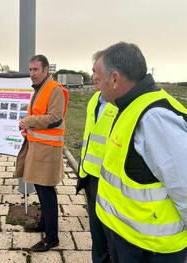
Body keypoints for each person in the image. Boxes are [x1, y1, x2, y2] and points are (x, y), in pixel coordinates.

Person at [94, 42, 187, 262]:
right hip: (128, 239)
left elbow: (183, 185)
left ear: (115, 79)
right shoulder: (129, 105)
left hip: (150, 249)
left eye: (98, 77)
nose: (96, 85)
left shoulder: (154, 117)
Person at [16, 54, 69, 252]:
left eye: (36, 70)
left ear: (46, 70)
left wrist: (28, 121)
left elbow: (55, 118)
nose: (32, 74)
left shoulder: (54, 89)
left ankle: (52, 238)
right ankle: (44, 224)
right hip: (38, 147)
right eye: (30, 70)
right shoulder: (41, 89)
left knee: (47, 192)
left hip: (48, 150)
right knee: (40, 188)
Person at [76, 52, 118, 263]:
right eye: (92, 71)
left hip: (112, 182)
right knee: (97, 235)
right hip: (91, 178)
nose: (93, 76)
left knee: (112, 238)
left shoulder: (120, 103)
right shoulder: (94, 100)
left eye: (96, 71)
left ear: (112, 74)